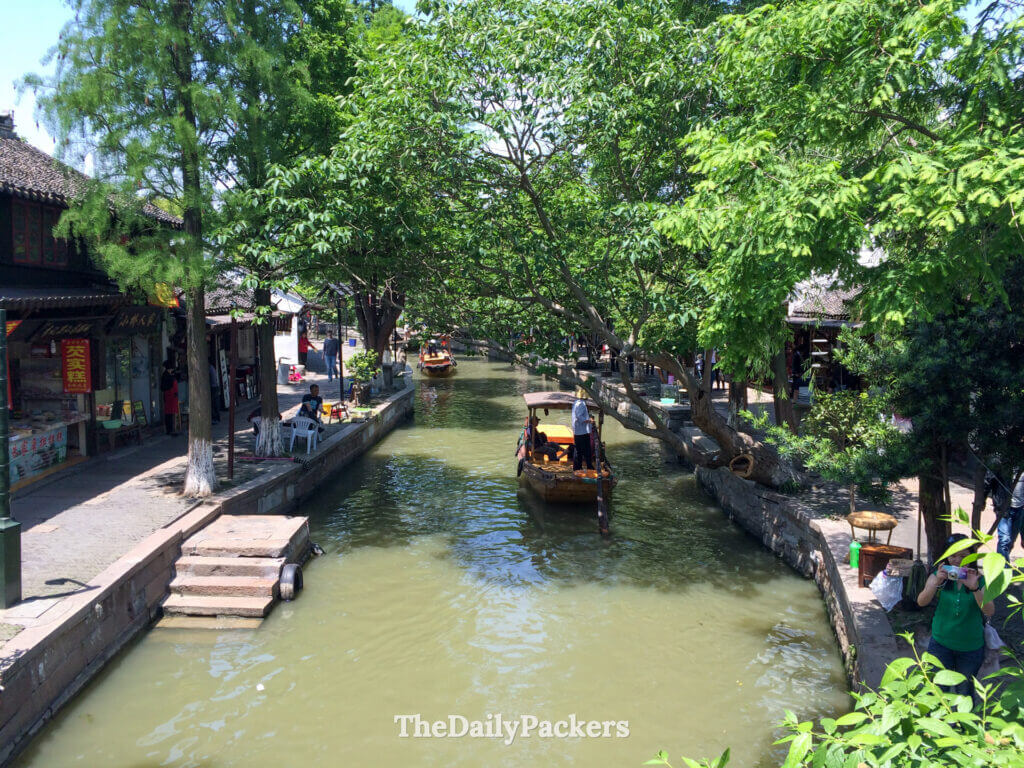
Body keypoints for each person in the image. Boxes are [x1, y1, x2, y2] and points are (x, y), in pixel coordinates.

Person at [916, 533, 995, 698]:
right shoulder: (939, 576)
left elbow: (989, 611)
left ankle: (963, 724)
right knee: (936, 690)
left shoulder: (979, 581)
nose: (957, 560)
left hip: (970, 648)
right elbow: (921, 602)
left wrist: (974, 588)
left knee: (964, 692)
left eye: (963, 556)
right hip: (940, 644)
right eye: (953, 555)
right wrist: (935, 583)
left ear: (971, 557)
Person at [997, 474, 1024, 561]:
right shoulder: (1005, 467)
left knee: (1010, 542)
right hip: (1004, 509)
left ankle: (1002, 562)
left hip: (1019, 509)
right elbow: (990, 481)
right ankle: (1003, 569)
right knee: (1004, 540)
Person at [571, 387, 595, 471]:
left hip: (579, 431)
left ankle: (584, 466)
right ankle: (582, 467)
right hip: (582, 431)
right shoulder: (581, 404)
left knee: (580, 451)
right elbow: (579, 416)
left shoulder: (576, 403)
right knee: (583, 451)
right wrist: (589, 421)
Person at [160, 361, 180, 436]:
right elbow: (164, 387)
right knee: (169, 413)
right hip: (169, 396)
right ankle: (170, 429)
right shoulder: (167, 376)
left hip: (170, 396)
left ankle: (171, 429)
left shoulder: (167, 375)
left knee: (170, 413)